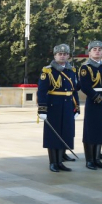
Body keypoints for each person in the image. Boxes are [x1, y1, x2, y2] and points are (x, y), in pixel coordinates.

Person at [36, 44, 80, 172]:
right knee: (53, 134)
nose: (62, 56)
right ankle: (53, 162)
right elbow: (42, 91)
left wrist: (77, 107)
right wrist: (42, 108)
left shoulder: (71, 70)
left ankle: (60, 161)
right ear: (55, 56)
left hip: (67, 105)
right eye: (60, 54)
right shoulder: (48, 71)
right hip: (53, 105)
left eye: (65, 54)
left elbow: (74, 91)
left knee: (65, 133)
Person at [79, 41, 102, 170]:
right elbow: (85, 87)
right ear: (89, 52)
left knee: (101, 130)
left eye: (100, 49)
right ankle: (90, 160)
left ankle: (97, 158)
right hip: (94, 101)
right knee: (91, 130)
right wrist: (99, 99)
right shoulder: (86, 67)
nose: (98, 51)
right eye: (95, 49)